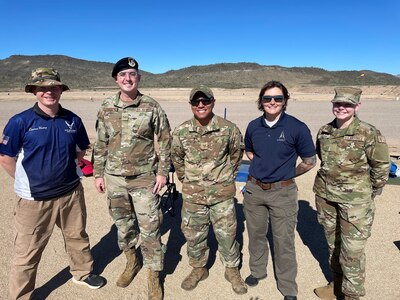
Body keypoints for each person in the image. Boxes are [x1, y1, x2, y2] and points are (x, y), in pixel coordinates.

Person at [0, 68, 106, 300]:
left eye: (54, 87)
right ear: (34, 91)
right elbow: (6, 158)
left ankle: (82, 273)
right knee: (27, 252)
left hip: (71, 193)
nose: (49, 91)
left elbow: (80, 152)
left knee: (77, 236)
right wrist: (26, 182)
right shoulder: (20, 122)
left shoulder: (73, 120)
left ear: (61, 90)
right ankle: (21, 295)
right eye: (43, 87)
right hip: (34, 200)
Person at [93, 57, 171, 300]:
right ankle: (131, 261)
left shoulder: (151, 106)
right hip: (115, 178)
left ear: (139, 78)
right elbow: (101, 142)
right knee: (123, 226)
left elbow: (165, 140)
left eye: (132, 74)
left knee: (150, 229)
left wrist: (162, 173)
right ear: (116, 79)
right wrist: (97, 173)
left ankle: (153, 276)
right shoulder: (106, 106)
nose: (128, 78)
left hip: (144, 178)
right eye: (123, 74)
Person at [313, 87, 390, 300]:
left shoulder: (368, 132)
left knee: (352, 252)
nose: (341, 108)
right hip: (326, 197)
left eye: (347, 104)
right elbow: (322, 159)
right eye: (338, 103)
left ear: (357, 106)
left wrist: (366, 193)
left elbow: (382, 167)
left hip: (356, 203)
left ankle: (351, 295)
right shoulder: (324, 131)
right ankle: (336, 285)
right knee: (333, 246)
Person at [243, 80, 316, 300]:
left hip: (283, 193)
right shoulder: (254, 126)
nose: (272, 102)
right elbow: (249, 151)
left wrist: (287, 175)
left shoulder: (297, 127)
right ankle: (257, 271)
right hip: (255, 190)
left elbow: (309, 161)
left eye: (278, 98)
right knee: (255, 235)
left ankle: (287, 287)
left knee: (283, 241)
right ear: (260, 101)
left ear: (285, 101)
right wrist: (262, 168)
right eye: (267, 98)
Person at [171, 85, 248, 295]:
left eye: (205, 101)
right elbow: (176, 159)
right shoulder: (181, 131)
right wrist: (187, 180)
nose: (201, 105)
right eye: (196, 102)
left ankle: (232, 270)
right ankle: (198, 269)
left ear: (213, 102)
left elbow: (235, 156)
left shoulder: (228, 129)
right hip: (193, 195)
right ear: (191, 105)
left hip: (221, 194)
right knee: (194, 234)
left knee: (227, 234)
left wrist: (223, 180)